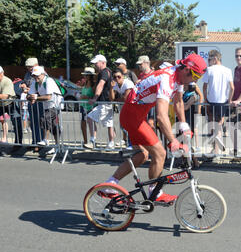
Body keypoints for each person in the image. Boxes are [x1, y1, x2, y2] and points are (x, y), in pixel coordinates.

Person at [102, 53, 207, 203]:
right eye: (195, 76)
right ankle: (154, 192)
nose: (195, 81)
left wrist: (184, 125)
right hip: (132, 116)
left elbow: (178, 102)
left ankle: (110, 185)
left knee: (143, 155)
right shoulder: (167, 78)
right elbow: (161, 115)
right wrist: (173, 141)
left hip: (135, 115)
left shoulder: (177, 76)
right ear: (186, 70)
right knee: (160, 153)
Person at [202, 49, 234, 155]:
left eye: (209, 59)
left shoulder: (209, 70)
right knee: (219, 123)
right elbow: (232, 88)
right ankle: (216, 145)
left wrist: (205, 99)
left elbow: (204, 87)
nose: (208, 62)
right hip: (223, 101)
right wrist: (229, 100)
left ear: (215, 59)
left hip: (211, 101)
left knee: (212, 123)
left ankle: (215, 147)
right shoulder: (228, 70)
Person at [26, 66, 63, 154]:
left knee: (44, 118)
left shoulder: (49, 81)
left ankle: (45, 140)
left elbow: (48, 97)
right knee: (54, 127)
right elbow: (29, 95)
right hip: (47, 106)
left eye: (37, 75)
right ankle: (57, 146)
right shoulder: (35, 82)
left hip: (55, 105)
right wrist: (30, 97)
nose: (36, 77)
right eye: (34, 75)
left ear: (43, 74)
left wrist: (35, 98)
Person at [86, 54, 115, 150]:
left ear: (103, 62)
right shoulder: (107, 71)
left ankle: (92, 140)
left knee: (90, 118)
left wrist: (95, 98)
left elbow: (101, 85)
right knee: (109, 123)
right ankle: (111, 143)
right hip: (107, 102)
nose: (95, 65)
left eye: (96, 63)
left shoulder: (104, 72)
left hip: (104, 102)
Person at [21, 58, 44, 148]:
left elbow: (42, 87)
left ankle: (40, 142)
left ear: (36, 65)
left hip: (39, 101)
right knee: (33, 122)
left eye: (30, 66)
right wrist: (23, 86)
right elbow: (25, 82)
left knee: (40, 122)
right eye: (27, 67)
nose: (28, 68)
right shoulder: (27, 74)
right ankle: (34, 142)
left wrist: (32, 91)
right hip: (30, 101)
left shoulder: (42, 73)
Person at [109, 68, 135, 148]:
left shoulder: (128, 83)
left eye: (119, 77)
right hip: (125, 107)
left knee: (131, 126)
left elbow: (125, 98)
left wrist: (117, 100)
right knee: (124, 125)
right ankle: (130, 143)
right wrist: (111, 88)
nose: (117, 79)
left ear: (123, 76)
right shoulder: (116, 84)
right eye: (114, 77)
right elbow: (112, 99)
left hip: (135, 107)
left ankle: (132, 144)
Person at [79, 67, 96, 147]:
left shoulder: (94, 86)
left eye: (87, 75)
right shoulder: (84, 84)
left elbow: (95, 98)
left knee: (91, 124)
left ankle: (92, 141)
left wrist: (87, 98)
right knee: (83, 124)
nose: (85, 76)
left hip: (90, 107)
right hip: (83, 106)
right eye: (84, 75)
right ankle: (85, 141)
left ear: (90, 76)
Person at [0, 66, 15, 143]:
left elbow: (5, 96)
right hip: (1, 104)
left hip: (10, 103)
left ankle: (17, 141)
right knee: (2, 120)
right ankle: (4, 138)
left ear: (2, 73)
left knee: (15, 122)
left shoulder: (7, 81)